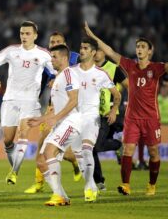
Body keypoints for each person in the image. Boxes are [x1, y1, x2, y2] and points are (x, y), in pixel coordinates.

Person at [84, 22, 168, 196]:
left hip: (151, 118)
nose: (139, 49)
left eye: (143, 46)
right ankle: (125, 185)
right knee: (128, 150)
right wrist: (93, 38)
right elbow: (110, 52)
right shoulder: (129, 65)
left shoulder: (157, 68)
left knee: (153, 153)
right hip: (132, 118)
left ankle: (151, 184)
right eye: (138, 46)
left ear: (149, 52)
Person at [0, 21, 55, 185]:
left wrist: (55, 80)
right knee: (7, 140)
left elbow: (57, 71)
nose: (24, 36)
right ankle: (14, 167)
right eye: (22, 33)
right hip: (10, 99)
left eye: (27, 33)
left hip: (30, 100)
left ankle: (14, 173)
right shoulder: (11, 51)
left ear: (35, 35)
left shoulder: (43, 54)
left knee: (23, 133)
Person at [25, 32, 81, 194]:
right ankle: (45, 185)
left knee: (49, 151)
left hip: (68, 118)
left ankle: (61, 193)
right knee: (42, 155)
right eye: (51, 42)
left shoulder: (72, 69)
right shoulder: (52, 69)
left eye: (57, 43)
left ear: (65, 53)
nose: (51, 57)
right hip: (55, 112)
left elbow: (74, 98)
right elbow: (43, 88)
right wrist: (40, 118)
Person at [70, 37, 121, 202]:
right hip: (75, 118)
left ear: (92, 52)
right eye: (81, 47)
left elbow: (117, 95)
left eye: (85, 48)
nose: (82, 50)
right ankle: (91, 183)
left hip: (94, 118)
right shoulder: (72, 71)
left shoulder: (101, 74)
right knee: (79, 155)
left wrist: (114, 110)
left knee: (88, 149)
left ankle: (91, 187)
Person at [92, 49, 128, 190]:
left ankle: (118, 145)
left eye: (98, 51)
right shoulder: (88, 68)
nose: (95, 54)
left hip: (111, 112)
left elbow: (129, 86)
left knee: (95, 147)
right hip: (94, 113)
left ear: (104, 53)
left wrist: (126, 104)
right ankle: (99, 181)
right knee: (92, 148)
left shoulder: (114, 68)